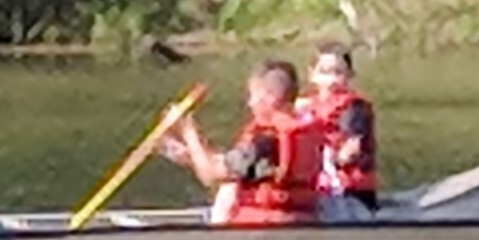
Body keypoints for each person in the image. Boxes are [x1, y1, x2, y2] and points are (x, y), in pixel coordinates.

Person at [160, 61, 322, 226]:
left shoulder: (266, 139)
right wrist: (190, 155)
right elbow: (239, 166)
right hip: (302, 225)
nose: (250, 103)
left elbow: (211, 175)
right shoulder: (304, 133)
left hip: (265, 232)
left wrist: (188, 130)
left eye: (253, 96)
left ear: (269, 98)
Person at [302, 42, 379, 221]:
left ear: (350, 75)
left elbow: (350, 151)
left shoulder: (354, 108)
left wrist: (328, 161)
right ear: (311, 75)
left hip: (350, 192)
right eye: (324, 72)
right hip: (317, 187)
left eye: (338, 73)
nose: (331, 80)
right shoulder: (304, 108)